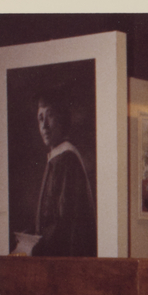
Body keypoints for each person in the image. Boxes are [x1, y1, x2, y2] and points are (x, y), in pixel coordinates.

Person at [20, 89, 97, 257]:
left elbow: (65, 224)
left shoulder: (67, 160)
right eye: (40, 118)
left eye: (50, 115)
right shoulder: (56, 158)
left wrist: (35, 247)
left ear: (62, 118)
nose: (44, 125)